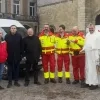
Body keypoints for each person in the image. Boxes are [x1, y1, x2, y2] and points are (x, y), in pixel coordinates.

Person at [80, 24, 100, 90]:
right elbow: (86, 43)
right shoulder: (88, 34)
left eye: (92, 28)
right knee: (87, 68)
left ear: (94, 28)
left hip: (94, 53)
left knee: (94, 69)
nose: (91, 29)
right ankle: (88, 82)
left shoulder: (98, 34)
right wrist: (82, 49)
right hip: (88, 53)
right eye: (90, 28)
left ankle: (94, 83)